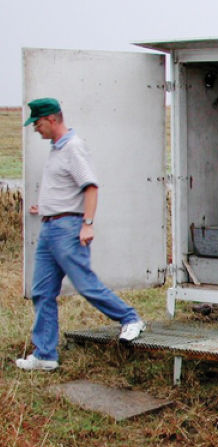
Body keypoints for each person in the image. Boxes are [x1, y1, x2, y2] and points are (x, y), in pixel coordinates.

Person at [16, 98, 146, 371]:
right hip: (50, 227)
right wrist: (47, 207)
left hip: (67, 230)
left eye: (37, 123)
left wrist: (87, 223)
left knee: (85, 284)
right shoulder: (56, 148)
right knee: (42, 291)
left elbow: (91, 187)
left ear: (51, 119)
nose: (35, 128)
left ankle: (130, 319)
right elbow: (67, 187)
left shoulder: (73, 147)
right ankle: (45, 355)